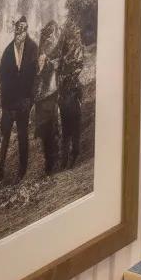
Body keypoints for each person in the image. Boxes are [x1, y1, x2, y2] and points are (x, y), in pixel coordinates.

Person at [0, 16, 38, 181]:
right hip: (8, 103)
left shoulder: (33, 48)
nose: (19, 32)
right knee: (5, 136)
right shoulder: (8, 51)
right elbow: (2, 76)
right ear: (15, 30)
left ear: (26, 30)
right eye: (17, 29)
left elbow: (36, 77)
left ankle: (22, 170)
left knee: (22, 136)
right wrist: (5, 102)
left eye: (22, 29)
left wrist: (30, 100)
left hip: (24, 103)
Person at [33, 20, 61, 176]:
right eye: (46, 35)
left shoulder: (54, 54)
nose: (49, 38)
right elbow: (37, 75)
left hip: (50, 95)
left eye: (51, 33)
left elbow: (54, 69)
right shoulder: (41, 54)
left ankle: (53, 163)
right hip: (42, 99)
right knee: (45, 131)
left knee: (52, 129)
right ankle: (49, 163)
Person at [57, 19, 85, 168]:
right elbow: (59, 67)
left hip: (73, 90)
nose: (70, 36)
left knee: (74, 126)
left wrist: (68, 76)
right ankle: (64, 159)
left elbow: (79, 66)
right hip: (63, 92)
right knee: (66, 128)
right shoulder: (63, 48)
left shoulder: (78, 47)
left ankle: (74, 155)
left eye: (73, 31)